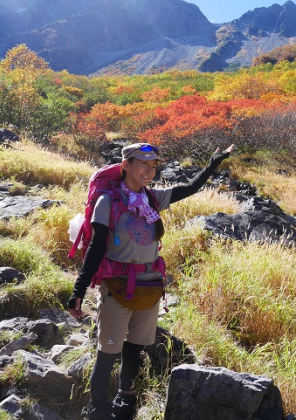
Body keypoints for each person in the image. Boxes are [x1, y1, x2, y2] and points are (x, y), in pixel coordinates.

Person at [68, 142, 235, 420]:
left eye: (154, 164)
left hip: (149, 286)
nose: (150, 169)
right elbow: (96, 248)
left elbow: (189, 189)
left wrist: (213, 163)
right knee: (108, 351)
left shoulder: (152, 199)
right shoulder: (107, 201)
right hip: (117, 286)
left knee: (135, 348)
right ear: (126, 165)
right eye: (143, 163)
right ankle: (97, 409)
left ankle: (125, 405)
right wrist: (79, 290)